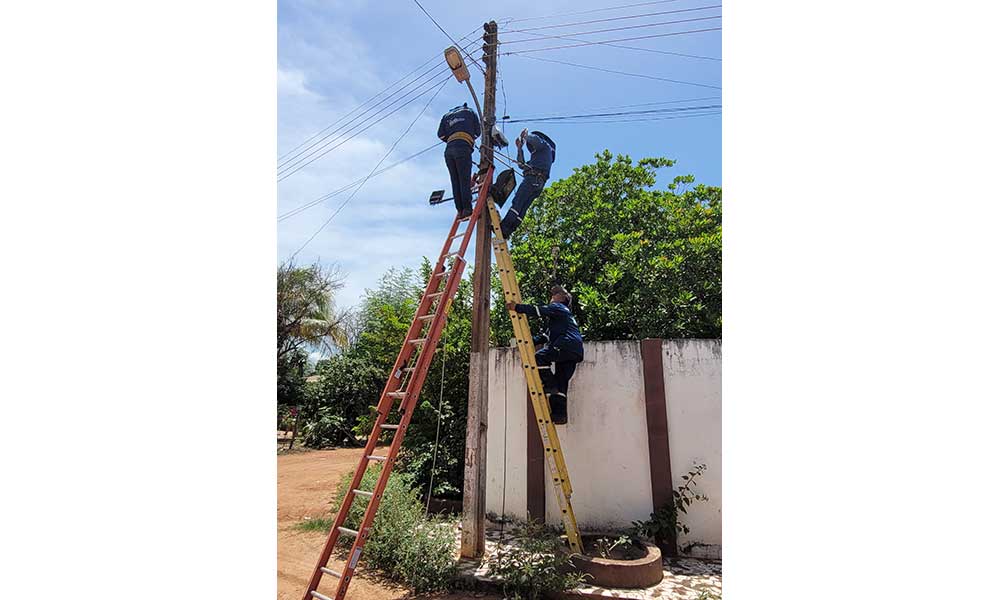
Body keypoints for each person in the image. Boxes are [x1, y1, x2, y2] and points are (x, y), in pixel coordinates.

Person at [506, 285, 583, 425]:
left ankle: (549, 384)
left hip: (565, 344)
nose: (552, 297)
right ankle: (559, 415)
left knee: (539, 358)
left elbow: (539, 310)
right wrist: (524, 342)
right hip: (574, 351)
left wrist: (517, 307)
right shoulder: (562, 319)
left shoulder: (559, 308)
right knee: (561, 384)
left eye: (555, 295)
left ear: (563, 299)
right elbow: (544, 337)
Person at [499, 129, 555, 238]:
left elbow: (535, 139)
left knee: (518, 202)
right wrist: (520, 148)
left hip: (532, 180)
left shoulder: (544, 146)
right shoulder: (540, 157)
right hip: (539, 184)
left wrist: (525, 136)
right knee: (523, 207)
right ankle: (508, 231)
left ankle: (504, 227)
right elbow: (521, 165)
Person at [437, 103, 481, 219]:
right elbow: (478, 132)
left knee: (455, 180)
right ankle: (467, 208)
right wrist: (468, 137)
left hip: (449, 150)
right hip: (463, 147)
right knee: (464, 179)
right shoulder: (470, 112)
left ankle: (460, 210)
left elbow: (440, 135)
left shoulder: (447, 116)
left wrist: (452, 138)